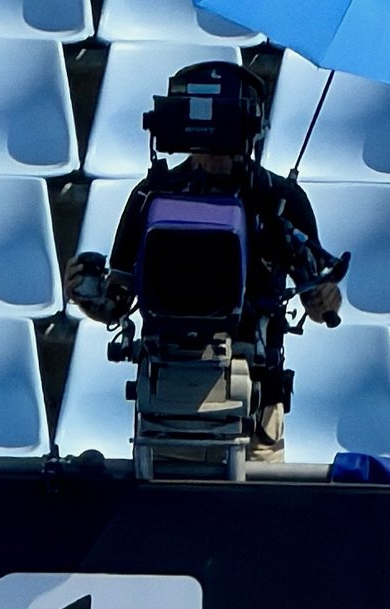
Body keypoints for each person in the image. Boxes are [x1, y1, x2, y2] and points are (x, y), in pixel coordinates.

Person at [66, 62, 343, 462]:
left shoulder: (280, 201)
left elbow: (320, 301)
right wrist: (86, 295)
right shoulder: (152, 196)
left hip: (256, 405)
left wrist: (325, 298)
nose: (214, 157)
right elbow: (120, 301)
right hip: (167, 396)